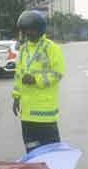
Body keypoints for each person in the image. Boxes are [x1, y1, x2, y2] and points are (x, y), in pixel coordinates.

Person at [12, 10, 66, 152]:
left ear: (40, 29)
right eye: (25, 30)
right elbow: (18, 75)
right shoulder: (23, 50)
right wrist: (16, 97)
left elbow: (58, 73)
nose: (28, 33)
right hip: (27, 114)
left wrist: (36, 79)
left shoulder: (51, 48)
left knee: (51, 154)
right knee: (32, 152)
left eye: (31, 29)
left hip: (45, 113)